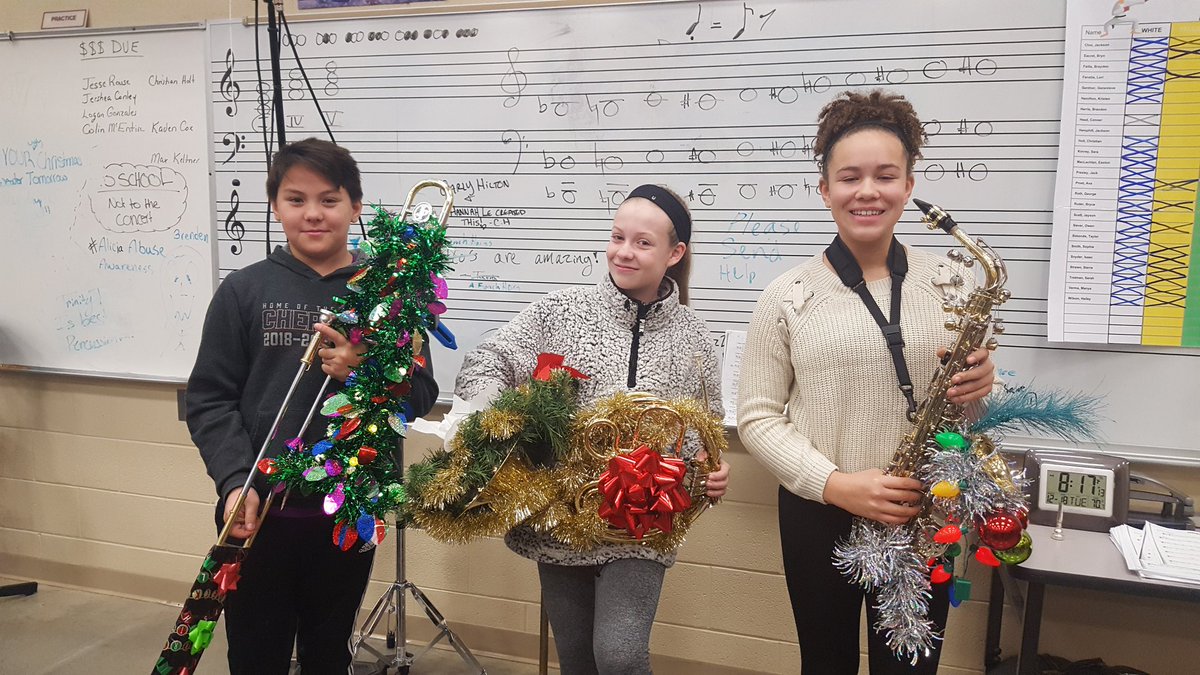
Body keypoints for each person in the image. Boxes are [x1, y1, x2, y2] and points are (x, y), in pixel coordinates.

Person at [736, 90, 997, 674]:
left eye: (886, 175)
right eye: (849, 177)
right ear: (825, 189)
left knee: (910, 670)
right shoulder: (787, 296)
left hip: (924, 510)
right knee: (824, 664)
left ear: (908, 184)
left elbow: (968, 415)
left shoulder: (953, 281)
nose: (868, 191)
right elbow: (756, 416)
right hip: (818, 510)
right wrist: (835, 485)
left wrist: (983, 388)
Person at [454, 185, 731, 675]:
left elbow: (702, 433)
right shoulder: (560, 312)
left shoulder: (695, 337)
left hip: (643, 527)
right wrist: (502, 415)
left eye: (643, 243)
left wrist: (708, 475)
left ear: (675, 253)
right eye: (617, 236)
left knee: (620, 656)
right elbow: (486, 360)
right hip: (562, 521)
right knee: (579, 662)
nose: (624, 251)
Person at [186, 138, 438, 674]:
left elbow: (419, 397)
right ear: (275, 206)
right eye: (295, 199)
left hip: (348, 510)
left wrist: (362, 370)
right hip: (257, 512)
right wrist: (235, 480)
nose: (313, 214)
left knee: (328, 652)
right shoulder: (243, 290)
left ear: (356, 206)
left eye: (329, 199)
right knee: (257, 653)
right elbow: (210, 399)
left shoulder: (391, 293)